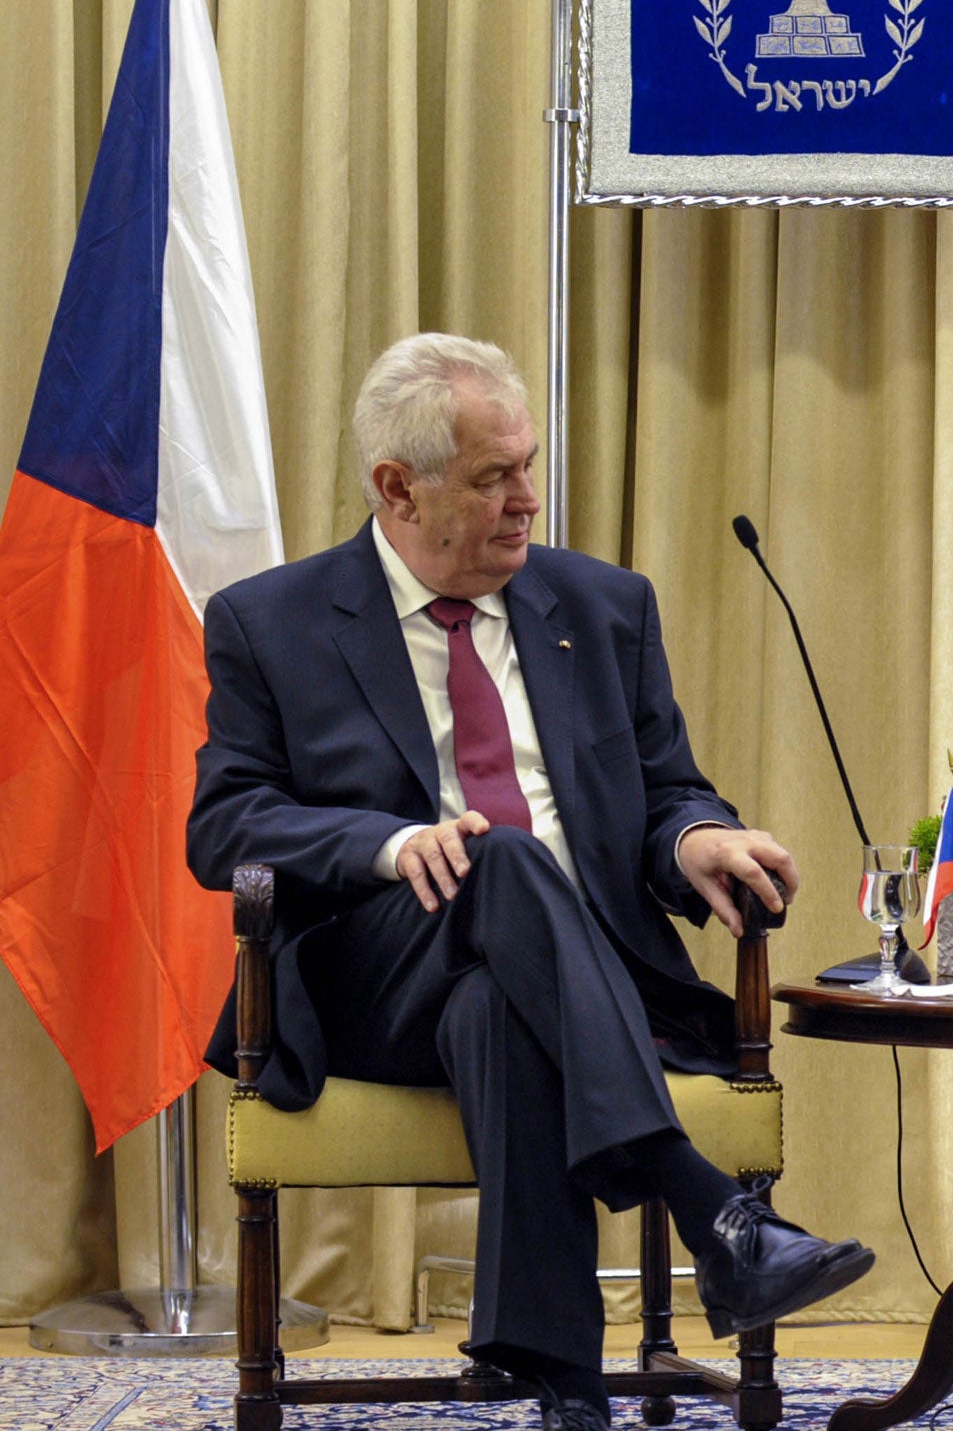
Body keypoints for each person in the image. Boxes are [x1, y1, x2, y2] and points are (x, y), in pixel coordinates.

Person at [191, 334, 872, 1431]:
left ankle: (564, 1388)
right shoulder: (272, 623)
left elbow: (666, 792)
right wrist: (387, 843)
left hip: (573, 978)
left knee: (501, 1007)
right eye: (493, 477)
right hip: (379, 982)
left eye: (528, 465)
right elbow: (224, 825)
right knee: (494, 857)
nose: (528, 500)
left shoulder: (602, 608)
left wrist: (695, 839)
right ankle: (714, 1213)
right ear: (396, 489)